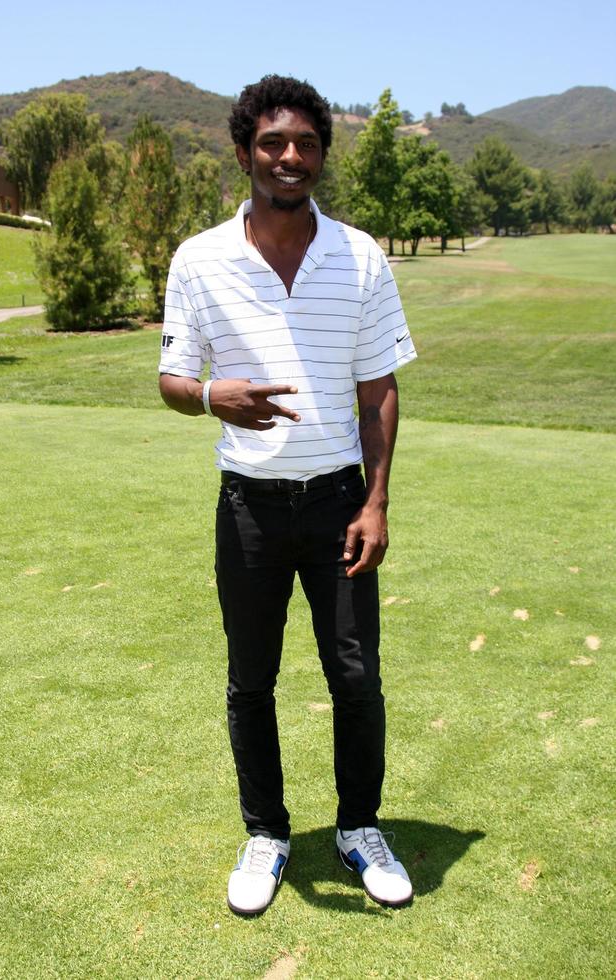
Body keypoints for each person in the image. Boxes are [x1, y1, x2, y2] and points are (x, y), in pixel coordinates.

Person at [159, 75, 417, 915]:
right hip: (250, 508)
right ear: (245, 154)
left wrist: (375, 502)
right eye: (273, 143)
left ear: (321, 156)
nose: (290, 157)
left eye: (305, 143)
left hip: (339, 500)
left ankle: (357, 827)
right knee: (250, 679)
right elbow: (171, 375)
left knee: (356, 677)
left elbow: (378, 388)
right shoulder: (199, 258)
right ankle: (267, 833)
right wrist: (208, 397)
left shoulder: (362, 255)